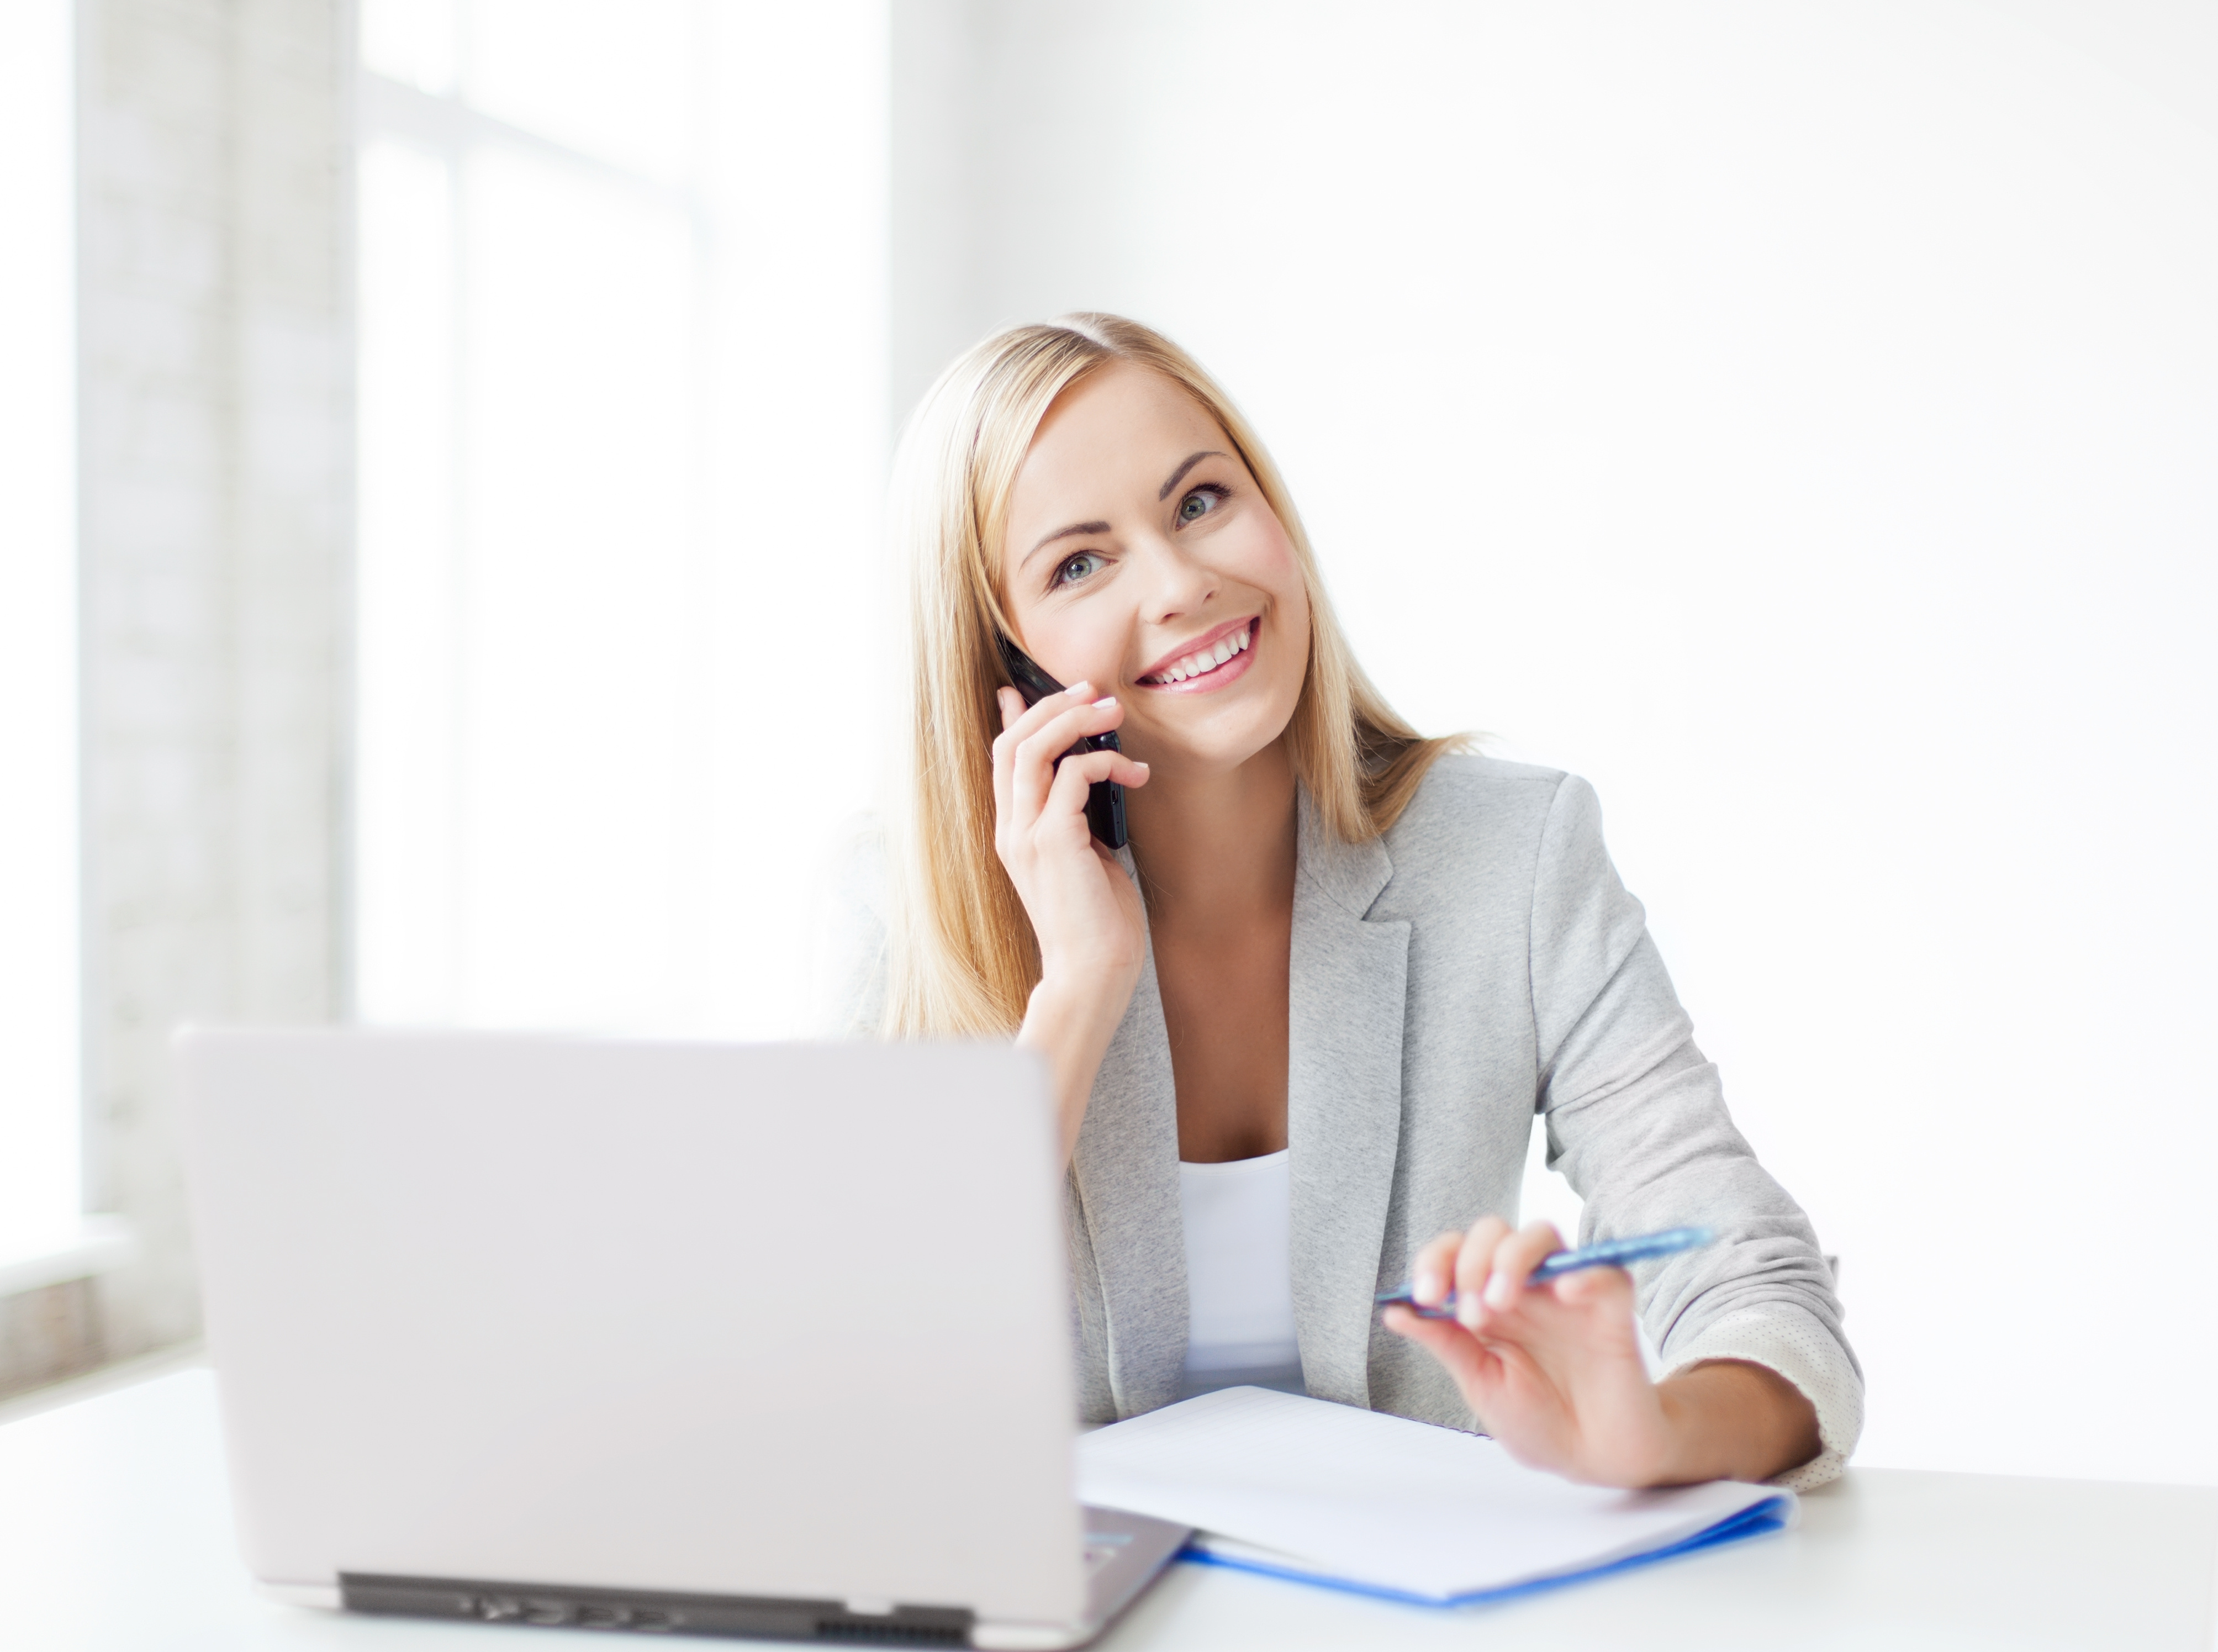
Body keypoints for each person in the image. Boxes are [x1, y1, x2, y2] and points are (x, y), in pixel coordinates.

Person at [833, 313, 1859, 1491]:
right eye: (1079, 562)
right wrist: (1074, 991)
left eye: (1201, 501)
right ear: (999, 655)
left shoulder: (1512, 856)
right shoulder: (890, 910)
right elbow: (857, 1392)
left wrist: (1651, 1432)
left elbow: (1759, 1284)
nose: (1183, 582)